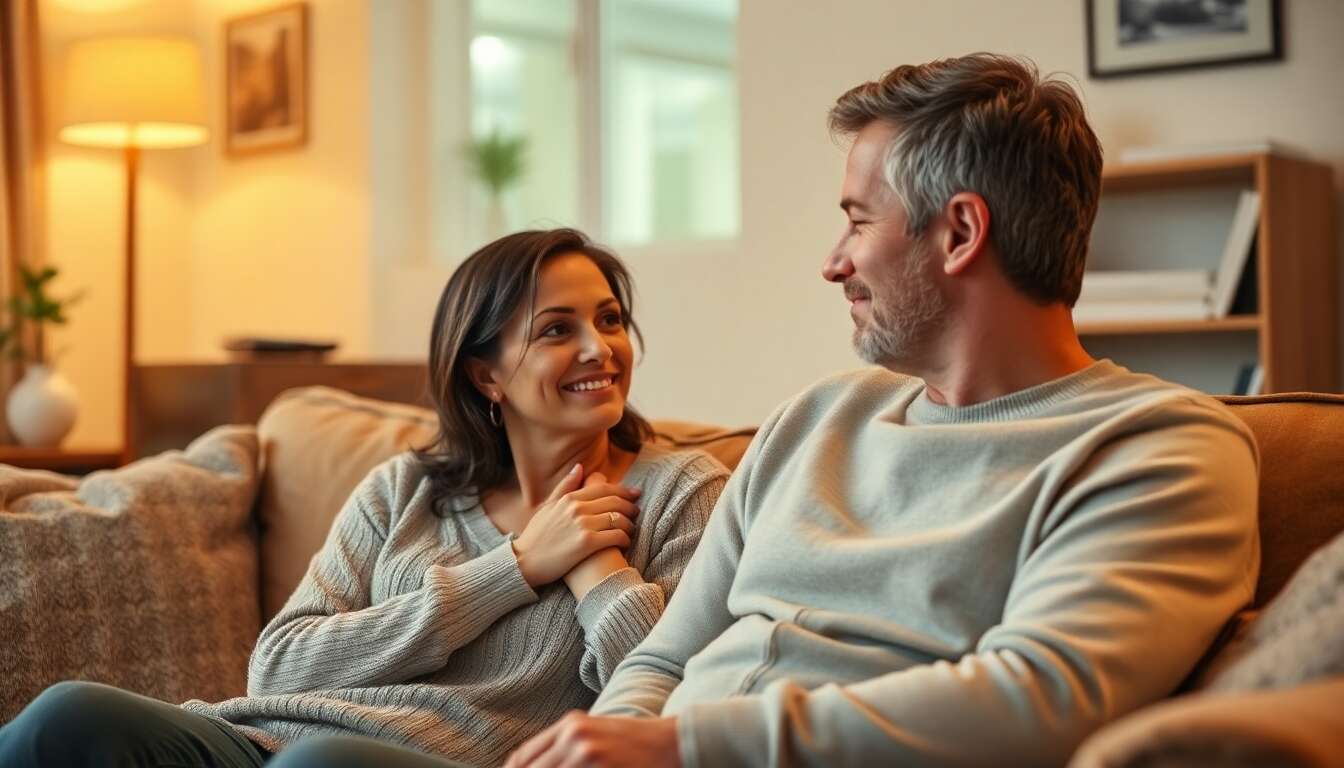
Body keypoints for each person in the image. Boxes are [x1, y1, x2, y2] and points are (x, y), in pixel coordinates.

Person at [507, 53, 1261, 767]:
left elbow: (1042, 696)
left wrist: (684, 749)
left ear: (960, 233)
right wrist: (613, 741)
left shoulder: (1161, 448)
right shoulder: (817, 417)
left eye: (859, 221)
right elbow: (665, 657)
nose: (833, 262)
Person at [0, 228, 728, 768]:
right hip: (263, 739)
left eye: (608, 320)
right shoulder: (405, 490)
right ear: (486, 377)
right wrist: (514, 567)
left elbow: (680, 692)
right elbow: (279, 667)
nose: (601, 349)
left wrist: (597, 570)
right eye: (557, 331)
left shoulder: (680, 493)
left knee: (323, 765)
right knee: (71, 714)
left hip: (400, 763)